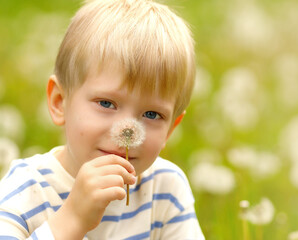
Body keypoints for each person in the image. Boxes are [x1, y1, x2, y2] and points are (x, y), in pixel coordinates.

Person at [0, 0, 204, 238]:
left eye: (152, 114)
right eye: (106, 103)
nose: (127, 130)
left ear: (170, 130)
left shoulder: (166, 189)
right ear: (59, 102)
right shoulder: (25, 190)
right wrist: (72, 220)